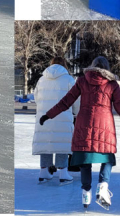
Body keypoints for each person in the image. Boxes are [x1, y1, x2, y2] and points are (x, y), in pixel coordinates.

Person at [40, 56, 120, 210]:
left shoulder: (82, 81)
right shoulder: (112, 85)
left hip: (83, 122)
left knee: (85, 160)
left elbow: (66, 101)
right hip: (105, 124)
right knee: (107, 157)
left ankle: (86, 193)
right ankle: (103, 186)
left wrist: (48, 114)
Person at [32, 56, 79, 184]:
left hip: (44, 115)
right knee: (61, 141)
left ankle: (44, 171)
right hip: (63, 115)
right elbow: (75, 98)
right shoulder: (69, 79)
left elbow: (36, 97)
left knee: (45, 141)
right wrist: (76, 112)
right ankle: (63, 172)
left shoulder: (41, 79)